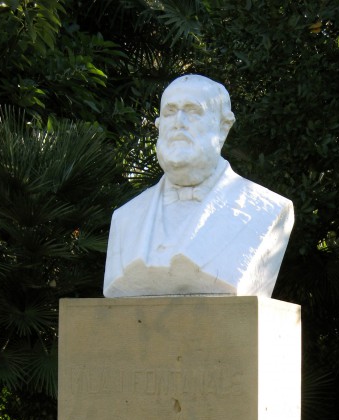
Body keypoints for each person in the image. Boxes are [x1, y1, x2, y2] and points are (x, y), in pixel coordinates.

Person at [103, 74, 294, 298]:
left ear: (223, 127)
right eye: (170, 112)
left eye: (193, 111)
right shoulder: (125, 218)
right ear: (159, 125)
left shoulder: (266, 209)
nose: (178, 122)